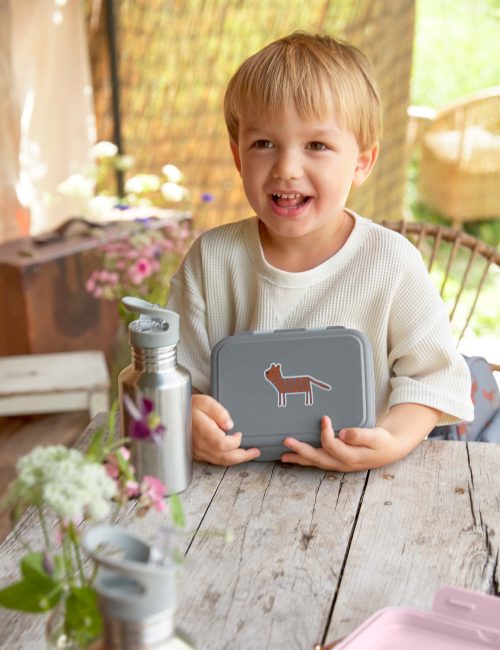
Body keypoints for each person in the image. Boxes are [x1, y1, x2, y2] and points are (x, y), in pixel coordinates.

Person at [167, 31, 473, 470]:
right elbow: (176, 381)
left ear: (362, 162)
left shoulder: (391, 263)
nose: (287, 169)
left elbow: (434, 378)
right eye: (263, 144)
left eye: (317, 145)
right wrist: (188, 418)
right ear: (238, 157)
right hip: (233, 489)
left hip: (363, 492)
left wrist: (392, 440)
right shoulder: (212, 260)